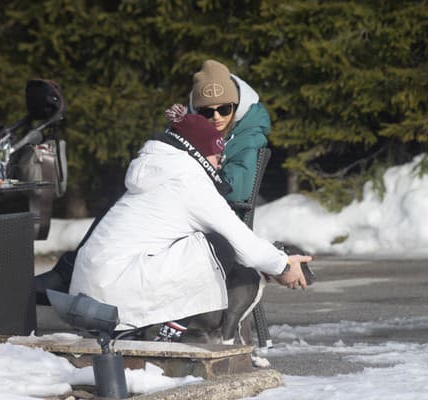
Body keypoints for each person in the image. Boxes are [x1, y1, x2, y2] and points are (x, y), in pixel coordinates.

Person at [68, 104, 311, 336]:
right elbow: (243, 244)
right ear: (201, 153)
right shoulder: (188, 181)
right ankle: (166, 334)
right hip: (113, 301)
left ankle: (152, 326)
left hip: (87, 297)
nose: (219, 164)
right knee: (218, 247)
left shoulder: (159, 170)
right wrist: (284, 267)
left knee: (198, 243)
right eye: (218, 156)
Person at [189, 59, 270, 203]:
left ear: (237, 106)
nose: (216, 117)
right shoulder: (190, 136)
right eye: (207, 112)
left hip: (220, 217)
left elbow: (235, 191)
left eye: (224, 109)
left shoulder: (247, 139)